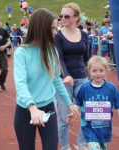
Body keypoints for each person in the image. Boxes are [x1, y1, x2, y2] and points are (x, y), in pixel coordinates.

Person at [13, 8, 77, 150]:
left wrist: (69, 104)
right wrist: (33, 108)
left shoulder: (51, 49)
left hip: (48, 108)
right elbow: (20, 84)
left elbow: (56, 79)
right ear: (42, 29)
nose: (56, 32)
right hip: (26, 110)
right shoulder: (21, 52)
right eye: (53, 28)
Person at [54, 2, 89, 150]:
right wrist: (66, 76)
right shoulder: (58, 36)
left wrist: (93, 77)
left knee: (88, 114)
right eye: (61, 16)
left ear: (76, 17)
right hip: (64, 80)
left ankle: (82, 144)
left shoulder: (84, 34)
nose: (63, 18)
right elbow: (59, 58)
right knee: (64, 116)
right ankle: (65, 147)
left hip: (83, 78)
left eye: (66, 16)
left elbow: (88, 58)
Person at [67, 56, 119, 150]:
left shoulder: (111, 88)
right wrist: (74, 113)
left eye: (101, 70)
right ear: (89, 71)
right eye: (94, 71)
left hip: (105, 128)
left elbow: (118, 105)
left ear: (106, 71)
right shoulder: (85, 87)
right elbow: (78, 102)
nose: (98, 74)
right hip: (89, 127)